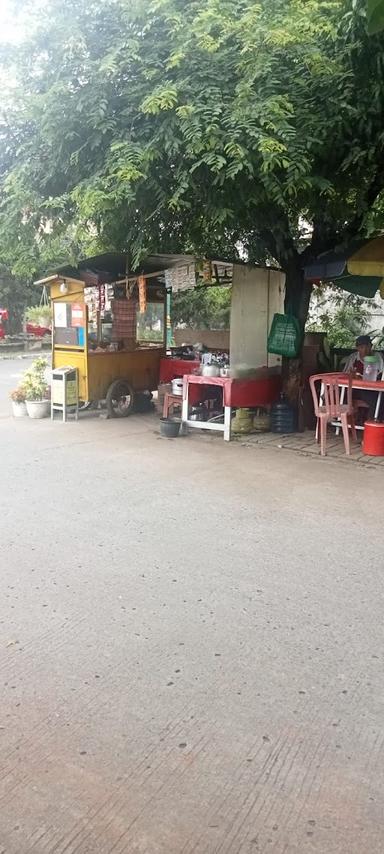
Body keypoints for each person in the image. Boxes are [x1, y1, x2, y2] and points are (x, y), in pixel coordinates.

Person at [343, 335, 384, 421]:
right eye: (361, 347)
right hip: (357, 389)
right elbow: (344, 375)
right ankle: (372, 423)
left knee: (380, 397)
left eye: (367, 347)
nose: (365, 350)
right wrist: (352, 376)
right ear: (357, 348)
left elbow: (382, 374)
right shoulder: (353, 358)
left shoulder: (377, 357)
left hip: (374, 388)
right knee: (375, 399)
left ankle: (374, 422)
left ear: (371, 346)